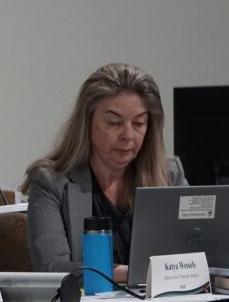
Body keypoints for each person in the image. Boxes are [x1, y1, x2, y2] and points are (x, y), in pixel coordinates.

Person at [21, 62, 187, 280]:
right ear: (87, 122)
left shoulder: (170, 175)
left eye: (139, 123)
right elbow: (51, 268)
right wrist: (122, 274)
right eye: (114, 122)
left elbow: (197, 251)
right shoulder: (50, 181)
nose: (128, 135)